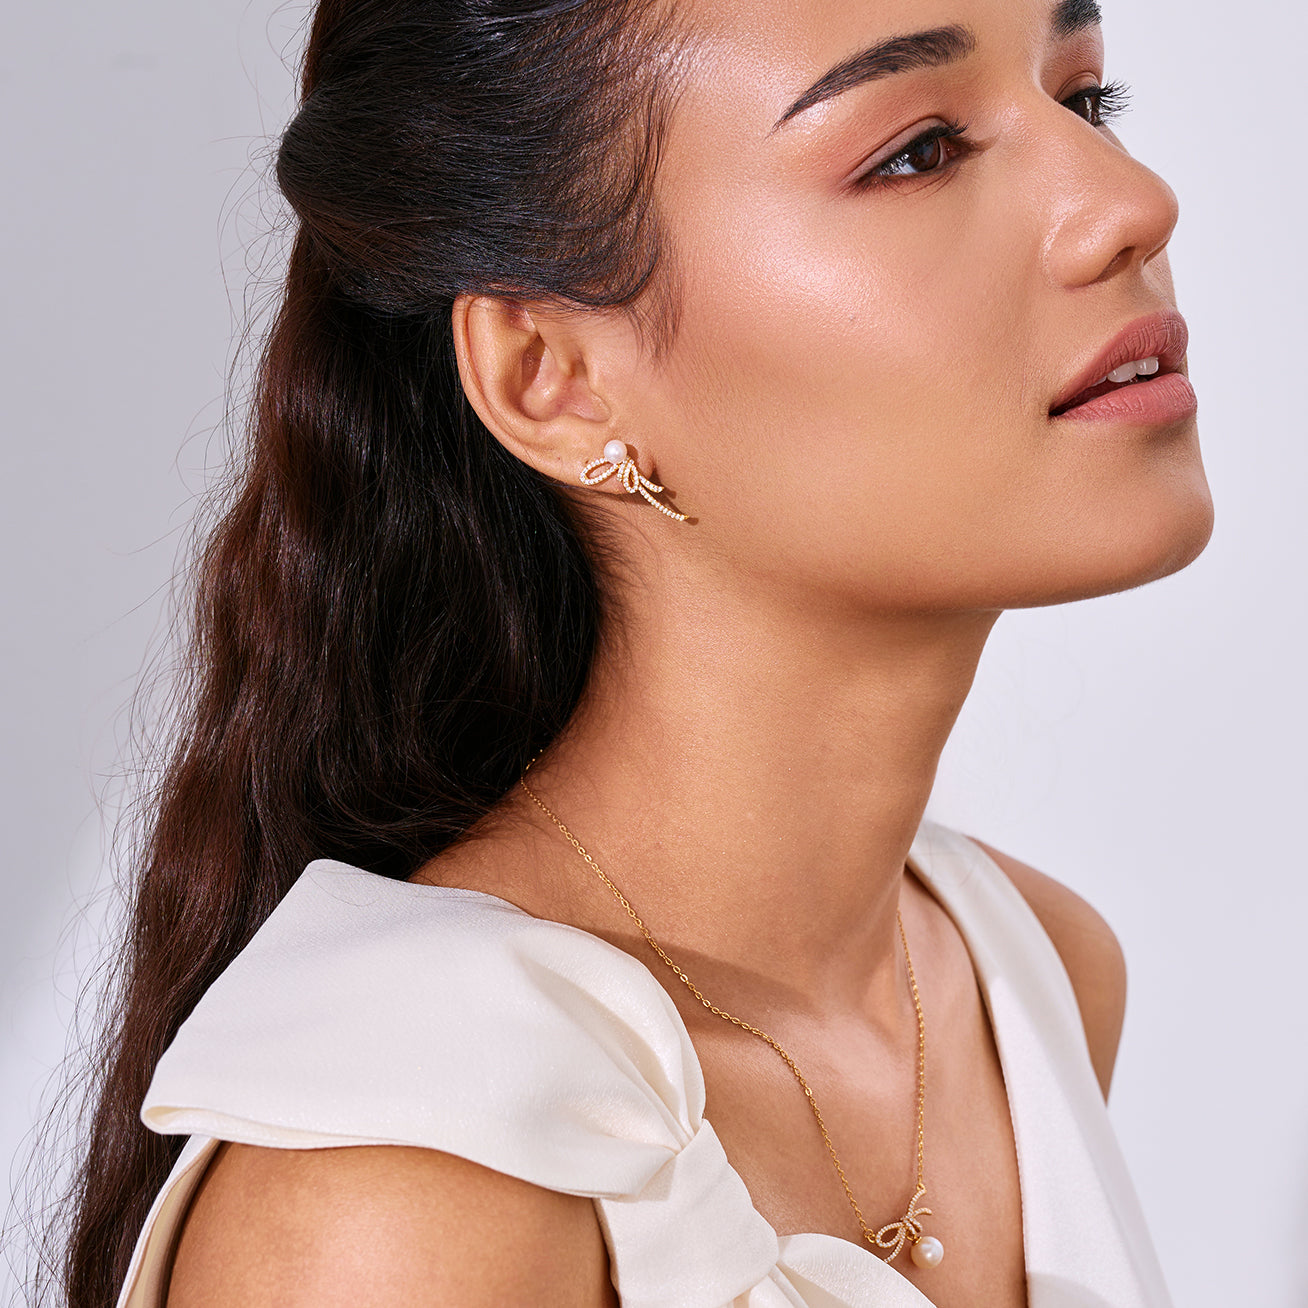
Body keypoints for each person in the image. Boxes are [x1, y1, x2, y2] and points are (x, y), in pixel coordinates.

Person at [54, 0, 1213, 1303]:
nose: (1132, 204)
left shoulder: (1028, 977)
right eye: (918, 153)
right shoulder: (405, 1192)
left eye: (1084, 99)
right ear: (552, 375)